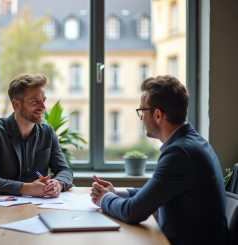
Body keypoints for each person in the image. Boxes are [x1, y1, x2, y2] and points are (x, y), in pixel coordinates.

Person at [90, 75, 228, 245]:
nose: (140, 118)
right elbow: (155, 191)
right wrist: (117, 193)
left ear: (157, 115)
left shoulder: (180, 153)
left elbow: (132, 212)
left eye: (142, 111)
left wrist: (104, 198)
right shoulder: (192, 142)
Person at [0, 73, 73, 201]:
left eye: (43, 101)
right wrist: (26, 188)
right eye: (35, 101)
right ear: (17, 104)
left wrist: (58, 183)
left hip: (34, 205)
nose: (43, 107)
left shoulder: (48, 133)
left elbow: (64, 170)